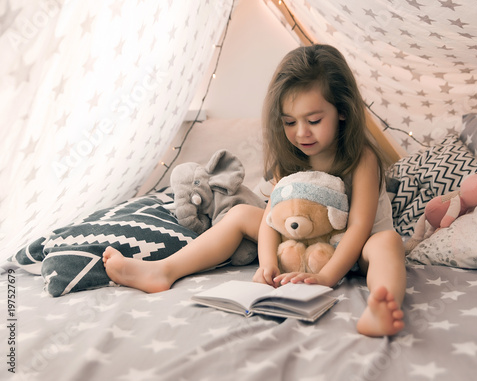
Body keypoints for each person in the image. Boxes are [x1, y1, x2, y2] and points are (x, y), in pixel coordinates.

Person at [103, 44, 406, 337]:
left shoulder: (361, 157)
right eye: (289, 122)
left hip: (351, 250)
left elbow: (359, 227)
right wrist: (268, 265)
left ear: (342, 110)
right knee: (240, 214)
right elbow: (271, 219)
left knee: (388, 242)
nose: (301, 132)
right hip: (298, 242)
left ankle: (381, 306)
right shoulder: (289, 158)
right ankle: (163, 271)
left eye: (313, 120)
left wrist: (325, 277)